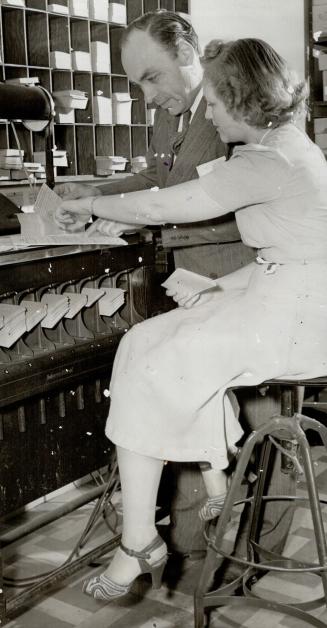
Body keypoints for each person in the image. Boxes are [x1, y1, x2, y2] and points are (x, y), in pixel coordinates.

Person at [55, 36, 327, 601]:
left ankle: (138, 542)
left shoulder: (269, 156)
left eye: (220, 106)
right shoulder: (281, 148)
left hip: (296, 323)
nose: (214, 116)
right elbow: (294, 249)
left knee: (158, 363)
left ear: (245, 100)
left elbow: (167, 206)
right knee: (142, 340)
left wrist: (89, 204)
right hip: (283, 301)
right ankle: (212, 466)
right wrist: (219, 285)